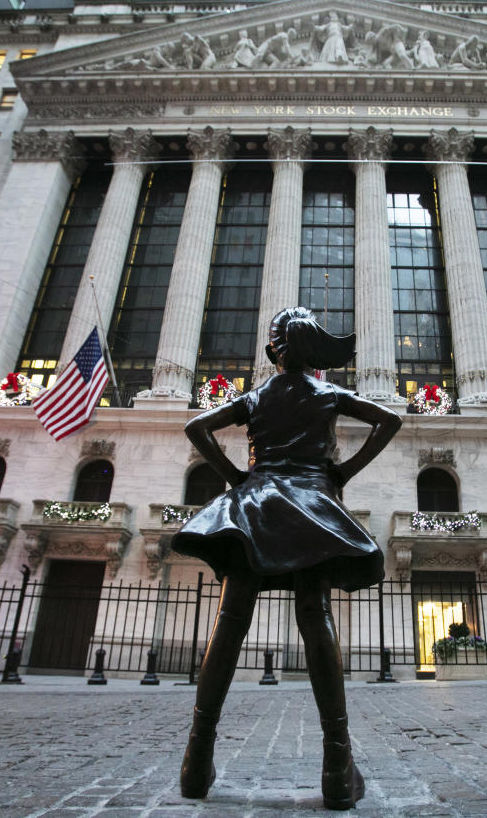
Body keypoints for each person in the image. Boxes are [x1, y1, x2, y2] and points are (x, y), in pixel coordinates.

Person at [173, 307, 402, 810]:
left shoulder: (256, 396)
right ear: (314, 352)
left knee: (230, 624)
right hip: (310, 505)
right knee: (316, 620)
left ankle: (196, 759)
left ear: (274, 350)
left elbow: (197, 428)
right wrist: (342, 473)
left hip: (254, 506)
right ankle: (337, 765)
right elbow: (390, 420)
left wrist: (236, 478)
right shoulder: (328, 393)